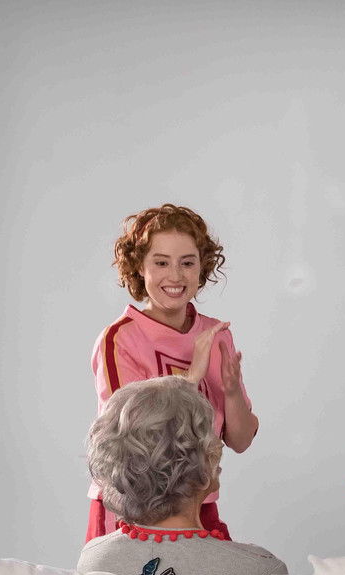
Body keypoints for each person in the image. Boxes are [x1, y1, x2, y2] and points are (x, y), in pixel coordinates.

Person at [86, 203, 257, 543]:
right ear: (139, 267)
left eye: (187, 263)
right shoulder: (120, 338)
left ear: (202, 266)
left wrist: (232, 391)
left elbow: (240, 441)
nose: (176, 276)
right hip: (132, 507)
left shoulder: (216, 334)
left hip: (196, 505)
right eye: (161, 262)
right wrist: (192, 376)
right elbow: (130, 445)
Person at [78, 377, 286, 575]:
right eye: (210, 434)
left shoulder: (95, 561)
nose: (220, 444)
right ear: (206, 461)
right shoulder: (259, 571)